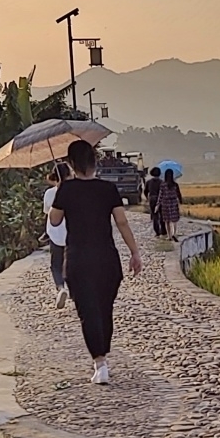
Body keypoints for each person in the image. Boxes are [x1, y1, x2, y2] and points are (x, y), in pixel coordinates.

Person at [48, 139, 143, 384]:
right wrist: (135, 253)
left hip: (79, 259)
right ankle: (102, 357)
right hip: (106, 259)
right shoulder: (108, 189)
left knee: (88, 312)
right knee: (104, 309)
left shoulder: (66, 190)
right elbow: (122, 222)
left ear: (70, 163)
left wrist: (61, 190)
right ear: (95, 161)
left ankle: (100, 363)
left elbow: (55, 221)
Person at [42, 161, 71, 305]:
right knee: (71, 262)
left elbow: (47, 212)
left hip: (55, 233)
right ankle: (74, 288)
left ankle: (61, 288)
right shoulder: (74, 191)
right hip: (72, 233)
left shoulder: (49, 193)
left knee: (56, 264)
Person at [157, 168, 182, 240]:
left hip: (165, 203)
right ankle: (174, 233)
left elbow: (160, 195)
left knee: (167, 220)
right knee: (174, 219)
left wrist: (158, 204)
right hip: (173, 202)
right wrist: (180, 201)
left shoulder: (163, 185)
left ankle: (169, 236)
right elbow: (178, 194)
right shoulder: (175, 185)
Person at [145, 166, 164, 236]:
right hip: (161, 199)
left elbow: (145, 191)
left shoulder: (149, 182)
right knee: (162, 215)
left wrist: (147, 198)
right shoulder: (162, 182)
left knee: (154, 215)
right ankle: (163, 230)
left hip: (152, 199)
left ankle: (157, 231)